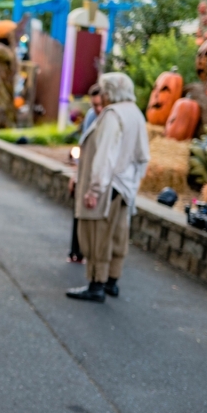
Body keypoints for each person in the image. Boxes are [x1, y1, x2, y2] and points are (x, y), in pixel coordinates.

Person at [67, 73, 150, 302]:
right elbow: (143, 156)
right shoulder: (135, 113)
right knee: (117, 235)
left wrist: (94, 189)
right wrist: (133, 184)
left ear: (110, 91)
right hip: (124, 187)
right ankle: (112, 281)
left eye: (104, 90)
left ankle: (96, 284)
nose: (102, 95)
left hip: (107, 187)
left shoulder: (113, 115)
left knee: (97, 236)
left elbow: (105, 155)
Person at [69, 85, 105, 263]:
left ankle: (88, 253)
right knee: (78, 210)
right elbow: (83, 145)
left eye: (100, 105)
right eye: (94, 105)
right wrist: (75, 174)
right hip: (86, 168)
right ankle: (75, 251)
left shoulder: (110, 119)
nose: (97, 109)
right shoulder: (92, 116)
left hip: (101, 172)